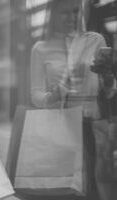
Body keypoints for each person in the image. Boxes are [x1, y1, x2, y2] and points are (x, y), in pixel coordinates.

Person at [30, 0, 116, 199]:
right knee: (68, 184)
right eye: (64, 13)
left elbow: (110, 92)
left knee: (98, 183)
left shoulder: (95, 40)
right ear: (53, 16)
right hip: (62, 125)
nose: (71, 18)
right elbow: (35, 96)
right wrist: (57, 92)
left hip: (95, 122)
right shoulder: (41, 48)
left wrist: (108, 76)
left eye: (76, 12)